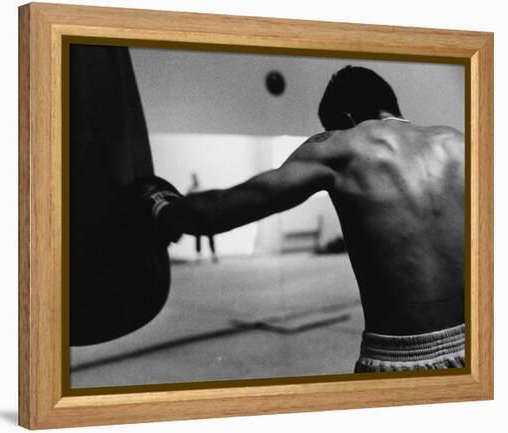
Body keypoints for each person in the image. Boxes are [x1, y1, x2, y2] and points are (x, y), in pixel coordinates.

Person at [140, 66, 465, 373]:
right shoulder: (458, 143)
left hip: (399, 359)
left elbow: (215, 213)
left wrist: (160, 203)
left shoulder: (338, 147)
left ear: (346, 119)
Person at [187, 173, 218, 263]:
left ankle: (213, 255)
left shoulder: (197, 190)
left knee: (209, 236)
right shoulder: (192, 190)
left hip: (204, 216)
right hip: (198, 216)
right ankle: (199, 256)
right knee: (199, 237)